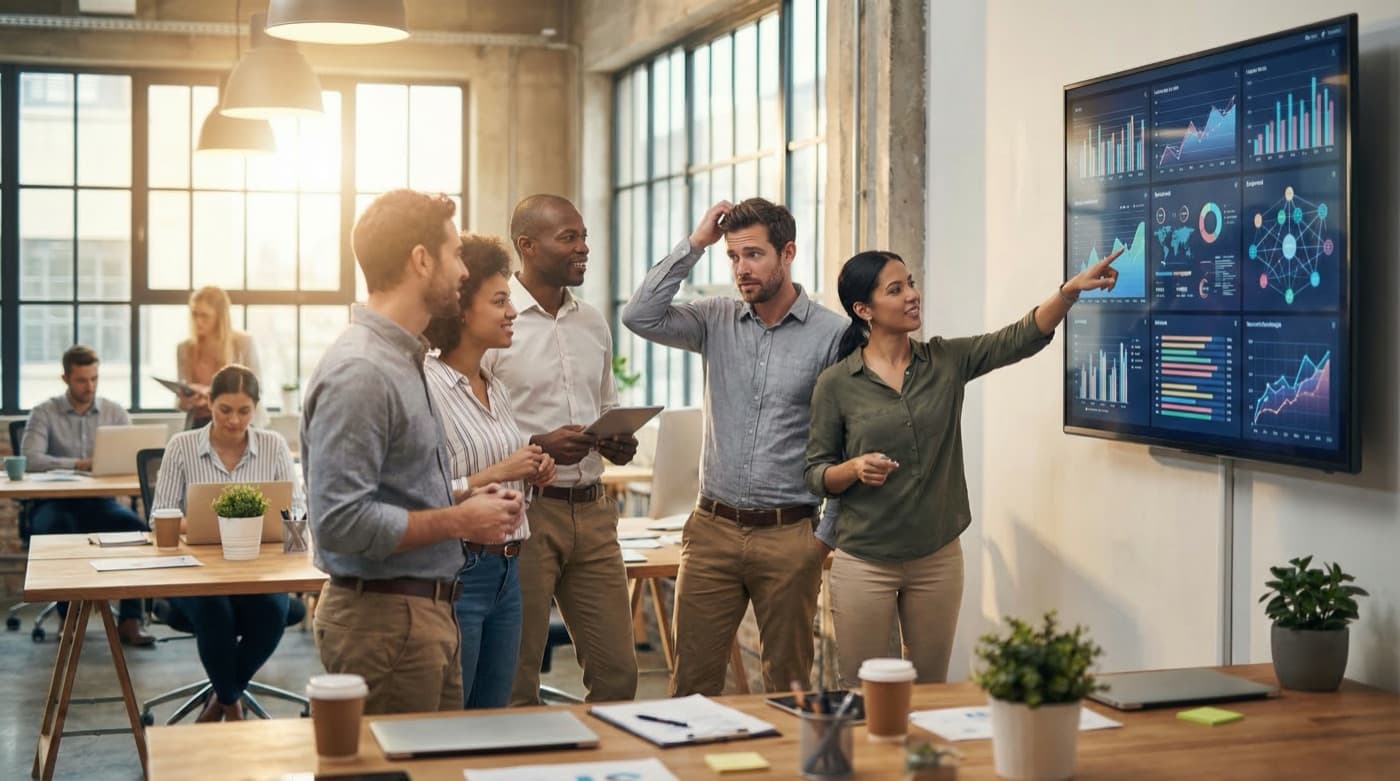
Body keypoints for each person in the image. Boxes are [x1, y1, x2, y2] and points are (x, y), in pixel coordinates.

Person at [804, 247, 1122, 685]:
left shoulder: (945, 361)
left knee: (930, 692)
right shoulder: (836, 384)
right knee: (865, 695)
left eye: (910, 283)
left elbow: (1017, 338)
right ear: (864, 310)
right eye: (895, 290)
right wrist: (854, 468)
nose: (911, 295)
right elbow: (816, 473)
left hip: (937, 560)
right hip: (864, 563)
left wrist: (1068, 293)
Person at [302, 189, 523, 715]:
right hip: (385, 623)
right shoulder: (363, 369)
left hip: (421, 616)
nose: (463, 270)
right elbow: (339, 521)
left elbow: (397, 493)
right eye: (454, 254)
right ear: (421, 260)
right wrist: (458, 520)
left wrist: (464, 503)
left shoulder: (404, 359)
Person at [622, 198, 845, 696]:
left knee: (789, 688)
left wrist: (822, 539)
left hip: (790, 534)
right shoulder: (714, 319)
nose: (741, 268)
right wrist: (696, 243)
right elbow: (639, 316)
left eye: (754, 255)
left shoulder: (833, 335)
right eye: (733, 256)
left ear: (788, 253)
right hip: (711, 531)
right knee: (691, 686)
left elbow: (849, 439)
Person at [487, 194, 640, 706]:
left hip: (594, 514)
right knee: (516, 681)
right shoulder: (495, 321)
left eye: (584, 236)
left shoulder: (592, 322)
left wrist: (617, 440)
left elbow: (606, 403)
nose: (583, 248)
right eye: (568, 238)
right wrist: (537, 445)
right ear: (527, 246)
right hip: (526, 512)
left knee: (618, 676)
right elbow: (467, 427)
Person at [423, 233, 557, 709]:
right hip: (461, 572)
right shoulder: (426, 387)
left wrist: (533, 471)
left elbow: (503, 476)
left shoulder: (493, 384)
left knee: (494, 719)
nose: (512, 312)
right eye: (499, 301)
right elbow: (425, 496)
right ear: (461, 310)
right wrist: (501, 469)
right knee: (453, 720)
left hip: (508, 570)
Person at [150, 365, 300, 721]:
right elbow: (159, 518)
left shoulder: (274, 446)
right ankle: (233, 706)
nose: (234, 420)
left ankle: (222, 697)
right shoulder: (182, 446)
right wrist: (224, 524)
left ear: (256, 408)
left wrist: (281, 531)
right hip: (195, 573)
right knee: (215, 610)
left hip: (258, 570)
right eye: (225, 410)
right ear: (210, 404)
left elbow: (296, 515)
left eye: (244, 411)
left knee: (272, 610)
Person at [21, 345, 153, 646]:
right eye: (82, 380)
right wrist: (79, 464)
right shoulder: (44, 412)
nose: (89, 386)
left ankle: (130, 620)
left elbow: (132, 459)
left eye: (94, 378)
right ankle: (69, 619)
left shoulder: (114, 412)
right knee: (59, 531)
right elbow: (30, 459)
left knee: (136, 529)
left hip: (100, 503)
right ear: (65, 378)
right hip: (54, 503)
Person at [176, 286, 262, 430]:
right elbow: (181, 402)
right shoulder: (184, 348)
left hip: (237, 423)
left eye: (205, 316)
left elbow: (257, 389)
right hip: (199, 425)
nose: (198, 321)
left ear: (220, 317)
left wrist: (211, 395)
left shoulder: (243, 343)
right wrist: (187, 400)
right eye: (194, 314)